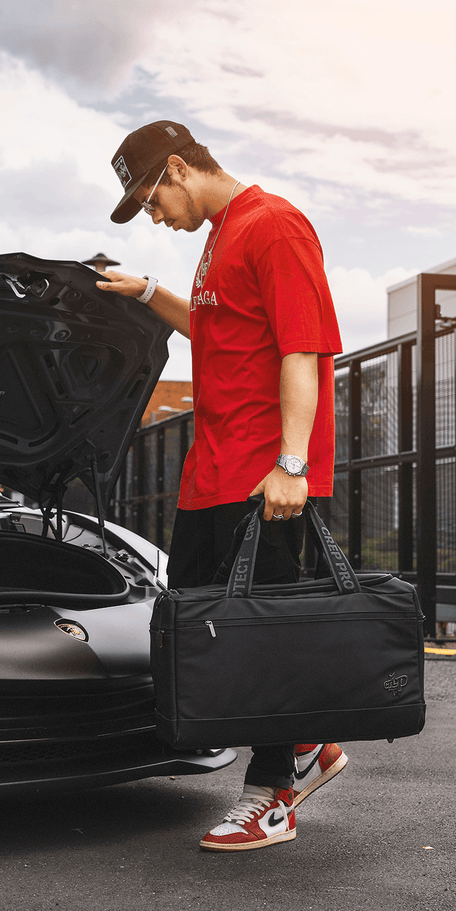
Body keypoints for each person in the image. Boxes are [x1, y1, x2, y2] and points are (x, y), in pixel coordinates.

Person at [97, 120, 347, 852]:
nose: (154, 216)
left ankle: (272, 798)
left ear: (179, 168)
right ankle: (310, 743)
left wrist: (293, 465)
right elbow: (215, 329)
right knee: (198, 630)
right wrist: (148, 291)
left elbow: (302, 348)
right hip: (211, 472)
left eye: (152, 200)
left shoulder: (275, 225)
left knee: (261, 639)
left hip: (264, 476)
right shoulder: (220, 236)